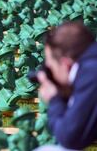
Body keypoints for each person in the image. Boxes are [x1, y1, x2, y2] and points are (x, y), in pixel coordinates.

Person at [36, 21, 97, 150]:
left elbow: (71, 138)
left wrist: (55, 99)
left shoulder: (91, 73)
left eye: (51, 66)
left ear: (65, 64)